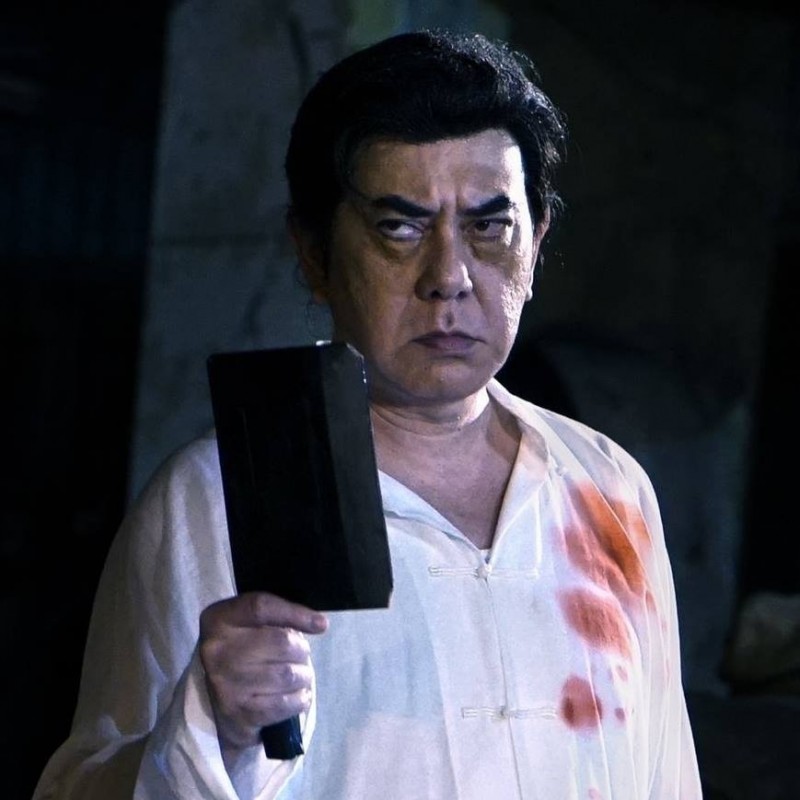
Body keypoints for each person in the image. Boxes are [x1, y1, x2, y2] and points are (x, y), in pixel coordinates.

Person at [34, 29, 702, 799]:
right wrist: (210, 730)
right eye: (399, 228)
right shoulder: (214, 500)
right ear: (314, 252)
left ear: (537, 239)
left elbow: (667, 776)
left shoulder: (609, 489)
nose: (449, 277)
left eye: (489, 226)